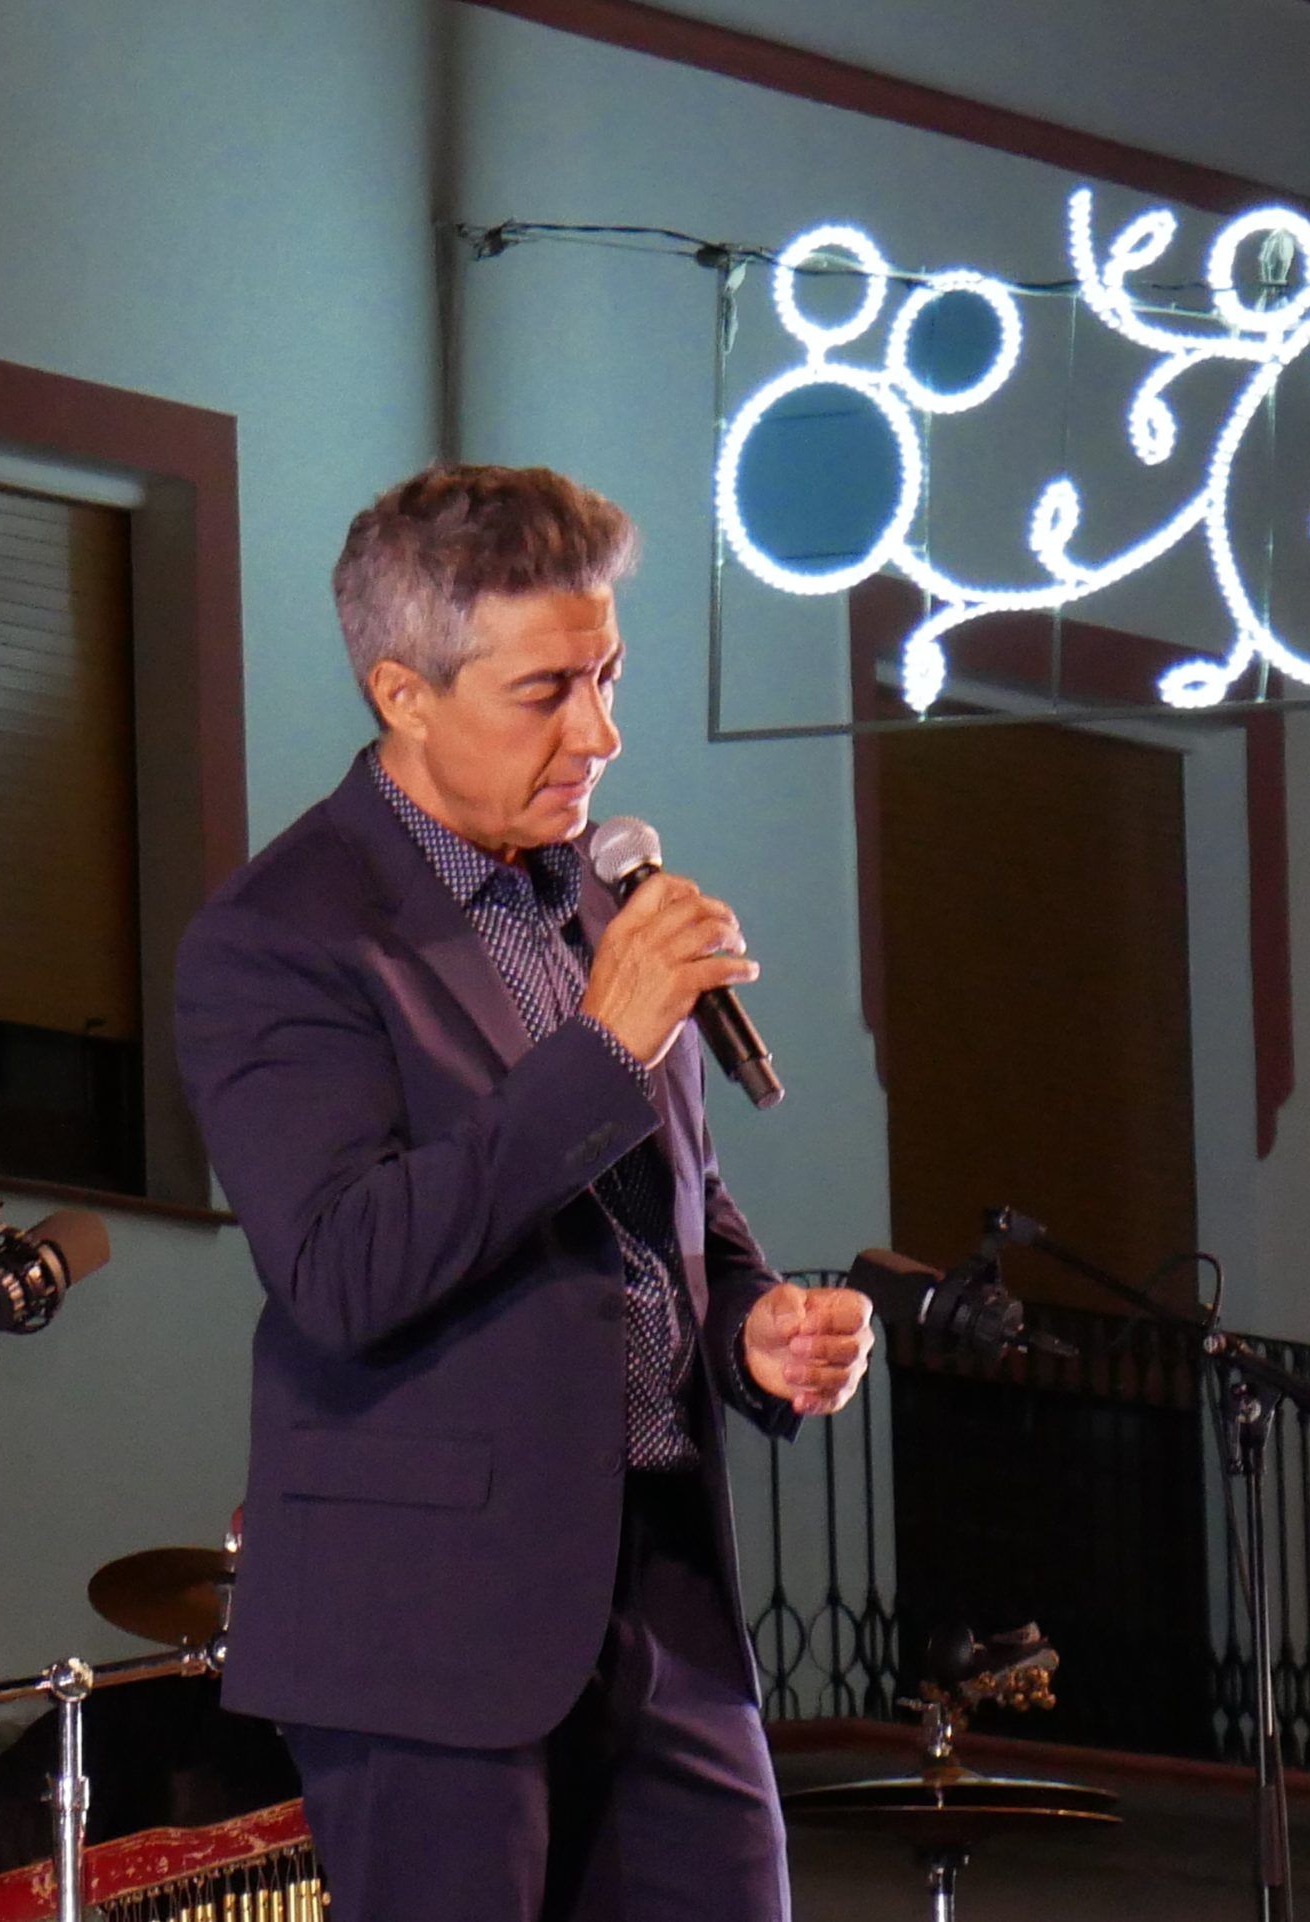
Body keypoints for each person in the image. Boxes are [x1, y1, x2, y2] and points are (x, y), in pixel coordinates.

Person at [173, 464, 874, 1921]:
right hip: (431, 1626)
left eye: (607, 677)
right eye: (546, 691)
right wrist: (605, 1046)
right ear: (404, 693)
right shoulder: (284, 934)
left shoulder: (600, 901)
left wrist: (747, 1323)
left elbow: (675, 1209)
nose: (599, 734)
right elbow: (344, 1264)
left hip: (663, 1595)